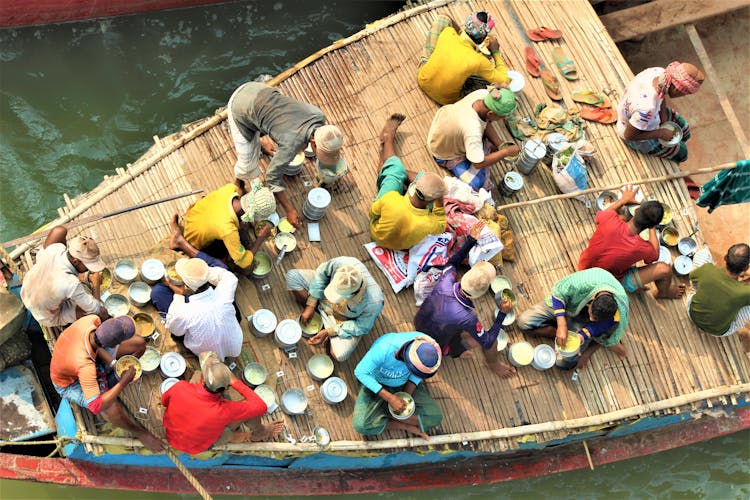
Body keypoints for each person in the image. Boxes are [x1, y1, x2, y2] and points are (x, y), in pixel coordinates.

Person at [227, 81, 346, 229]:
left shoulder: (319, 116)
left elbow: (288, 123)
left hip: (260, 90)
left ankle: (259, 139)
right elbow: (271, 177)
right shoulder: (291, 145)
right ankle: (239, 181)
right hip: (240, 106)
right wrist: (289, 210)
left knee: (270, 122)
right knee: (247, 163)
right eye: (320, 151)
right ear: (313, 141)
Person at [414, 220, 516, 378]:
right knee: (491, 342)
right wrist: (502, 314)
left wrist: (471, 240)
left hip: (419, 323)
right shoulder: (468, 317)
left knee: (457, 325)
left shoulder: (447, 279)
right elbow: (487, 341)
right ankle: (490, 363)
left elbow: (453, 261)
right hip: (434, 344)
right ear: (480, 294)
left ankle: (455, 347)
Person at [49, 315, 163, 452]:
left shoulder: (92, 320)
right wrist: (123, 382)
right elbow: (96, 405)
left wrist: (115, 364)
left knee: (139, 344)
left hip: (83, 357)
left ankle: (109, 377)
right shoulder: (85, 367)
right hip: (69, 382)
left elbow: (97, 346)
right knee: (109, 408)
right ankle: (139, 432)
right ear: (114, 345)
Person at [162, 351, 284, 454]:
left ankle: (236, 435)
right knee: (248, 413)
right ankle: (258, 433)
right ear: (226, 388)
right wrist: (235, 382)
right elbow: (260, 406)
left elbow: (164, 402)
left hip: (171, 436)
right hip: (196, 447)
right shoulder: (225, 410)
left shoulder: (181, 387)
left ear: (202, 379)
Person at [578, 186, 685, 298]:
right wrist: (652, 228)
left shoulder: (609, 218)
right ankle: (664, 293)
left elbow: (605, 212)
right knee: (665, 269)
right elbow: (655, 255)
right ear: (651, 225)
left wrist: (623, 200)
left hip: (584, 267)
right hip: (606, 283)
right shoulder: (641, 247)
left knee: (622, 219)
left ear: (637, 211)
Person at [517, 268, 630, 370]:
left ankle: (571, 339)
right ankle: (560, 334)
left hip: (581, 321)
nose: (591, 318)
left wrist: (581, 336)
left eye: (595, 319)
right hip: (567, 304)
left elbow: (600, 326)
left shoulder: (617, 311)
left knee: (563, 363)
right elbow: (558, 293)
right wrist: (561, 325)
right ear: (594, 298)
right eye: (592, 314)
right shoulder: (585, 282)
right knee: (523, 322)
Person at [369, 114, 447, 250]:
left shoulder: (391, 199)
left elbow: (373, 213)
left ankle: (388, 144)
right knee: (422, 176)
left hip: (377, 234)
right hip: (399, 246)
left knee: (396, 169)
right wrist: (439, 203)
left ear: (414, 187)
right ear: (432, 202)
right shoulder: (430, 223)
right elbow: (442, 225)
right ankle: (391, 168)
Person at [286, 256, 384, 362]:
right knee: (292, 276)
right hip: (322, 299)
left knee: (340, 355)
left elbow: (362, 326)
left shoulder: (374, 302)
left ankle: (326, 325)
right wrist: (311, 304)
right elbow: (321, 275)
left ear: (353, 294)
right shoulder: (343, 263)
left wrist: (331, 331)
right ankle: (317, 310)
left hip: (341, 320)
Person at [427, 85, 520, 191]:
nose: (502, 119)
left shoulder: (483, 94)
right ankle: (463, 156)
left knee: (485, 140)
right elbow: (478, 164)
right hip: (443, 151)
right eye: (502, 117)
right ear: (491, 113)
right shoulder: (472, 129)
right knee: (478, 183)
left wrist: (499, 143)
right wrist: (506, 152)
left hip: (442, 126)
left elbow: (485, 121)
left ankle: (483, 148)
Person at [152, 255, 242, 362]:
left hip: (207, 354)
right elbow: (229, 277)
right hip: (234, 347)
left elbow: (176, 331)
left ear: (186, 286)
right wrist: (204, 273)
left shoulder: (182, 312)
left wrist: (178, 295)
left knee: (158, 292)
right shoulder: (223, 293)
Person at [353, 333, 442, 440]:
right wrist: (390, 398)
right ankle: (403, 424)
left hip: (403, 383)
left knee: (435, 417)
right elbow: (360, 372)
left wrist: (406, 396)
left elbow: (417, 376)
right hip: (377, 383)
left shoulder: (431, 348)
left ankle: (389, 414)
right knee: (361, 425)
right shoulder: (384, 349)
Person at [21, 225, 110, 327]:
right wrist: (96, 284)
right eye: (87, 265)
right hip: (46, 316)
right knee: (98, 313)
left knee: (60, 231)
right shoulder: (72, 284)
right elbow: (95, 308)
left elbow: (59, 231)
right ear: (76, 261)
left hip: (27, 291)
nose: (89, 269)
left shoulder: (56, 249)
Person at [617, 61, 704, 163]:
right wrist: (661, 133)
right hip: (633, 132)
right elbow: (629, 135)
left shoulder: (660, 73)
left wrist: (663, 118)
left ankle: (674, 140)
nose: (684, 96)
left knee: (685, 129)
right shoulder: (646, 109)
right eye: (684, 93)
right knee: (682, 153)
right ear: (677, 90)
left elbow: (661, 96)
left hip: (643, 116)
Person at [182, 179, 275, 275]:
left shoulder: (231, 188)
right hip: (193, 239)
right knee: (248, 269)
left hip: (193, 217)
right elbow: (243, 262)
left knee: (241, 229)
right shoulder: (228, 230)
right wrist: (260, 238)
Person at [417, 11, 510, 105]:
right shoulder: (479, 60)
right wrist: (496, 52)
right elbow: (504, 81)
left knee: (443, 18)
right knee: (492, 83)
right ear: (482, 38)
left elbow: (447, 18)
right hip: (445, 99)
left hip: (422, 80)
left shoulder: (448, 32)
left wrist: (462, 33)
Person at [688, 244, 750, 338]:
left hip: (692, 314)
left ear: (725, 257)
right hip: (718, 331)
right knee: (747, 308)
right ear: (746, 268)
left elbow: (692, 277)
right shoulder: (745, 293)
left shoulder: (707, 269)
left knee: (702, 255)